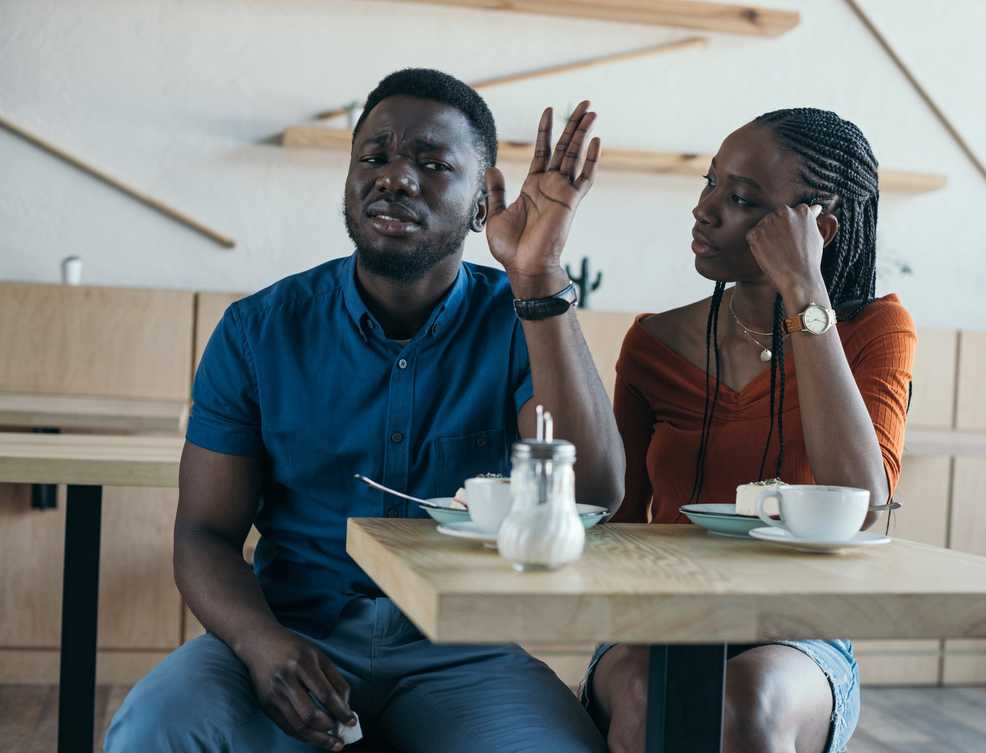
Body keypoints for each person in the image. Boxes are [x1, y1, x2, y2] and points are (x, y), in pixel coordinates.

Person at [106, 68, 623, 753]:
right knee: (156, 730)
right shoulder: (259, 331)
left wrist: (539, 279)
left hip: (463, 652)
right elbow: (203, 534)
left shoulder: (523, 320)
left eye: (432, 164)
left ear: (482, 203)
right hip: (290, 633)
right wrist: (261, 645)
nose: (395, 177)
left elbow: (594, 495)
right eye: (373, 157)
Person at [585, 108, 917, 753]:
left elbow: (865, 503)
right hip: (656, 623)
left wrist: (804, 293)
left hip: (802, 631)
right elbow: (616, 522)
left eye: (739, 198)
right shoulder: (654, 341)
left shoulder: (875, 330)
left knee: (752, 700)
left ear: (817, 229)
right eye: (710, 183)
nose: (703, 210)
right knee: (648, 697)